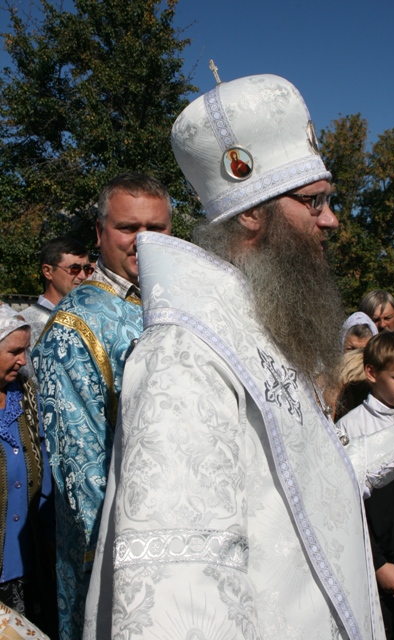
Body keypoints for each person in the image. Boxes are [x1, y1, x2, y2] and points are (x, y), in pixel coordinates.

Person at [85, 75, 389, 640]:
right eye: (314, 201)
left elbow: (312, 481)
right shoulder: (183, 355)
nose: (330, 219)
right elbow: (180, 592)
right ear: (251, 213)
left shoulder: (260, 323)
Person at [32, 173, 172, 640]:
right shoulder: (75, 326)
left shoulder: (175, 302)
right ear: (99, 232)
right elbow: (82, 472)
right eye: (128, 228)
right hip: (123, 555)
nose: (143, 240)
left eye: (156, 228)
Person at [336, 332, 394, 639]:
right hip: (374, 564)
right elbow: (347, 505)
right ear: (372, 373)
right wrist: (379, 565)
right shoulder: (350, 427)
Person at [0, 303, 55, 638]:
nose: (23, 361)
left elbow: (44, 471)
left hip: (28, 563)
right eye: (14, 352)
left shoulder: (26, 396)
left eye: (25, 350)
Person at [21, 236, 91, 348]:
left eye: (87, 269)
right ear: (48, 272)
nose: (83, 276)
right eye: (74, 268)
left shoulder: (91, 319)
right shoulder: (26, 324)